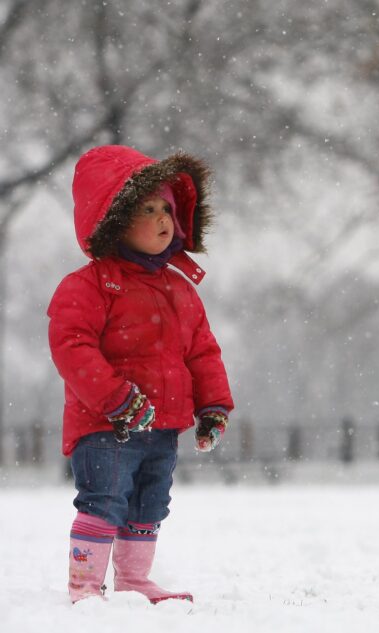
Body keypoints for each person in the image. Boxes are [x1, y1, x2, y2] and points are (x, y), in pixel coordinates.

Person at [47, 145, 234, 604]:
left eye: (166, 208)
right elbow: (72, 346)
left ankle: (133, 579)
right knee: (105, 499)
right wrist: (114, 397)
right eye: (147, 210)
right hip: (106, 424)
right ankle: (85, 584)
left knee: (150, 503)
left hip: (162, 425)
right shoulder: (90, 286)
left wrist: (213, 405)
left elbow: (202, 351)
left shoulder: (179, 289)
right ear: (114, 221)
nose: (162, 218)